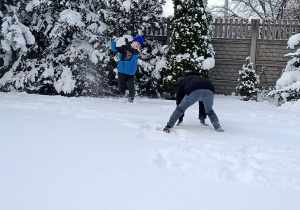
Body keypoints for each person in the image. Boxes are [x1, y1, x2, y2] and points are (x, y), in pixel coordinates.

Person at [111, 35, 144, 102]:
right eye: (138, 43)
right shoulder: (125, 48)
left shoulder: (136, 52)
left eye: (140, 45)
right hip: (122, 72)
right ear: (134, 41)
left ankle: (131, 98)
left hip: (131, 73)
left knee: (131, 86)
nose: (138, 45)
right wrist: (113, 41)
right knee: (120, 88)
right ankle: (124, 93)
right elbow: (114, 49)